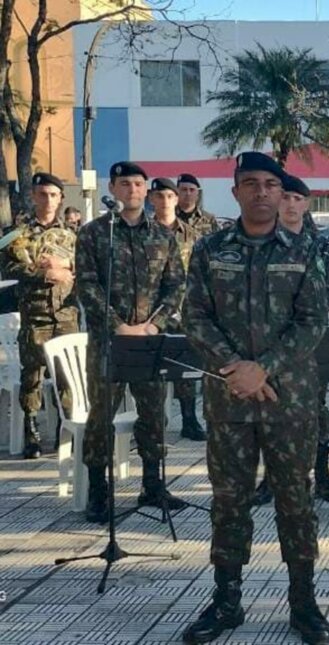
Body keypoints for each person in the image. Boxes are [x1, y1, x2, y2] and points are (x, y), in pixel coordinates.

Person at [182, 152, 329, 644]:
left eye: (272, 184)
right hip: (229, 399)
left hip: (288, 400)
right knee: (229, 502)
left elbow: (312, 322)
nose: (263, 192)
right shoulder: (209, 250)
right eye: (252, 183)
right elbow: (196, 318)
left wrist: (263, 368)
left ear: (283, 193)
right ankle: (226, 601)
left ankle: (303, 603)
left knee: (295, 501)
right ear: (235, 191)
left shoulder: (304, 249)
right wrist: (237, 369)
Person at [76, 162, 186, 523]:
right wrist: (118, 325)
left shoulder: (163, 235)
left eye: (139, 185)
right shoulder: (95, 233)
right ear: (113, 187)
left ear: (147, 191)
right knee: (101, 415)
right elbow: (87, 285)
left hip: (150, 341)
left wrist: (155, 326)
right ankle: (98, 492)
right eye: (125, 184)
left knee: (153, 412)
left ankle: (152, 485)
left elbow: (176, 286)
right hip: (110, 340)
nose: (133, 191)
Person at [251, 174, 329, 507]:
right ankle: (269, 478)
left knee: (316, 410)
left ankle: (321, 474)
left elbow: (327, 293)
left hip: (308, 346)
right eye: (285, 197)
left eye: (297, 199)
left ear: (306, 205)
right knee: (266, 409)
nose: (290, 204)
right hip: (265, 345)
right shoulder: (260, 241)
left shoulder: (320, 245)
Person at [1, 172, 78, 459]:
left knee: (66, 377)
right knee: (32, 374)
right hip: (34, 313)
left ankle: (64, 430)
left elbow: (84, 268)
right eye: (42, 194)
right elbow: (7, 269)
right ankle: (31, 432)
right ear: (33, 196)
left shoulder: (72, 234)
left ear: (60, 199)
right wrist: (43, 272)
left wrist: (65, 265)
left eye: (53, 195)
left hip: (66, 314)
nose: (48, 200)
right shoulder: (17, 233)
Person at [147, 177, 208, 443]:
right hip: (151, 312)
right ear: (152, 199)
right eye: (159, 196)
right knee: (152, 368)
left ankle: (189, 419)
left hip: (186, 310)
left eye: (169, 196)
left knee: (185, 368)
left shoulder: (191, 234)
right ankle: (154, 420)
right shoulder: (143, 233)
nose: (165, 201)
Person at [174, 173, 221, 441]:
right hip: (172, 300)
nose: (187, 194)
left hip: (200, 299)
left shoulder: (209, 222)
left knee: (201, 359)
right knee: (181, 359)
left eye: (192, 189)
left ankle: (205, 416)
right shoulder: (168, 221)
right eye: (183, 189)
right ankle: (187, 417)